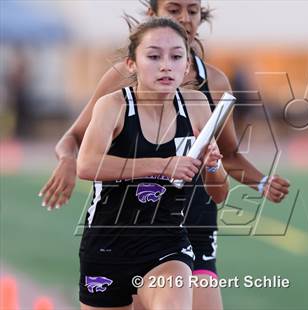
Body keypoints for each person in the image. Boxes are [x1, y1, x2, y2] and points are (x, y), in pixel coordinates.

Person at [39, 1, 290, 309]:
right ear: (152, 15)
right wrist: (68, 161)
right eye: (174, 10)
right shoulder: (117, 90)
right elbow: (81, 148)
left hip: (186, 227)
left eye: (193, 10)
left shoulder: (210, 88)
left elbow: (228, 157)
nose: (185, 17)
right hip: (112, 234)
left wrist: (257, 181)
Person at [77, 17, 228, 309]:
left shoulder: (196, 105)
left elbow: (219, 194)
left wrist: (212, 166)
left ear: (186, 66)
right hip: (107, 245)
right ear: (131, 64)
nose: (165, 65)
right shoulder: (113, 106)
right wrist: (163, 166)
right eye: (154, 56)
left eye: (176, 57)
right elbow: (86, 165)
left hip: (167, 243)